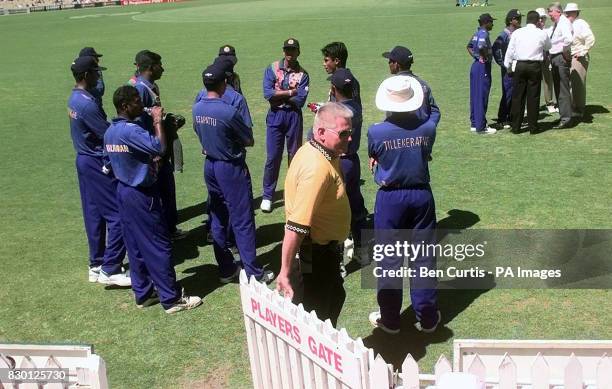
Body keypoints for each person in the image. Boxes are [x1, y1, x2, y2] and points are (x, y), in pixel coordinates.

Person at [104, 85, 202, 313]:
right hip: (142, 195)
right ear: (125, 106)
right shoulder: (131, 131)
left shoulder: (110, 131)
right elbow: (159, 146)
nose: (143, 105)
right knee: (159, 245)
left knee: (135, 246)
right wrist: (158, 121)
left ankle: (144, 293)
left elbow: (107, 162)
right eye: (137, 101)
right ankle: (171, 298)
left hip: (123, 192)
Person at [367, 75, 440, 335]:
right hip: (421, 195)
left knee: (390, 259)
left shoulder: (376, 131)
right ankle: (428, 317)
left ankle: (390, 318)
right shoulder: (427, 128)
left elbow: (374, 156)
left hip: (390, 197)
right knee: (424, 258)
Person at [192, 63, 273, 283]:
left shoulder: (197, 107)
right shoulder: (227, 111)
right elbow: (249, 139)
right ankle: (254, 272)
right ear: (224, 83)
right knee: (243, 219)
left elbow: (198, 132)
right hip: (230, 167)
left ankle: (226, 269)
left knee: (217, 215)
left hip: (210, 165)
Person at [276, 102, 352, 327]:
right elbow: (296, 226)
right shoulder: (317, 168)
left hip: (321, 254)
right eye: (343, 133)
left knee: (334, 299)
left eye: (350, 132)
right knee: (318, 320)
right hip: (315, 258)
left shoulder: (323, 152)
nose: (349, 138)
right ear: (320, 132)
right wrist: (284, 272)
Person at [68, 56, 130, 287]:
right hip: (95, 162)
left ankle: (96, 263)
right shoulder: (87, 103)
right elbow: (107, 134)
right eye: (96, 73)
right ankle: (111, 267)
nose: (98, 76)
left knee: (94, 214)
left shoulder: (75, 98)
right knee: (117, 215)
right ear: (86, 76)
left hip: (83, 160)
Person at [132, 50, 187, 239]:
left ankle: (169, 228)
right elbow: (138, 122)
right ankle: (162, 231)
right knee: (159, 191)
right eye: (159, 64)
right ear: (150, 67)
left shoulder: (151, 86)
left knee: (167, 188)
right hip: (152, 151)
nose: (162, 68)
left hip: (158, 145)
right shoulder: (139, 89)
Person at [260, 38, 309, 213]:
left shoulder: (303, 74)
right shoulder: (272, 68)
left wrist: (278, 94)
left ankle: (293, 192)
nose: (290, 53)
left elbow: (300, 100)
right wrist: (290, 92)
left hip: (293, 116)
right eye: (287, 50)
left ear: (298, 52)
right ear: (283, 52)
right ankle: (267, 196)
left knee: (294, 156)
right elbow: (267, 94)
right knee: (273, 157)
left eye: (293, 50)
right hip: (275, 116)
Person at [326, 69, 368, 261]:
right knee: (355, 203)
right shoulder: (356, 108)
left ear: (334, 88)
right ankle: (360, 247)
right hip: (353, 160)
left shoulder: (335, 112)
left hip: (338, 161)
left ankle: (339, 260)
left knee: (336, 209)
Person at [504, 10, 552, 133]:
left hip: (520, 65)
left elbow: (510, 51)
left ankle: (516, 126)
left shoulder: (517, 32)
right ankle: (533, 127)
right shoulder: (541, 33)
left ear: (526, 21)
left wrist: (508, 66)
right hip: (535, 66)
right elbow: (548, 47)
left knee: (518, 96)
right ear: (538, 21)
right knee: (533, 96)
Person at [382, 45, 441, 125]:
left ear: (396, 64)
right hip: (422, 133)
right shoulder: (423, 84)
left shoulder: (392, 85)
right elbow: (434, 111)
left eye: (390, 61)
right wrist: (428, 129)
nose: (389, 63)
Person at [467, 13, 497, 134]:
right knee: (481, 95)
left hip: (475, 66)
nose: (492, 24)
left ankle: (474, 123)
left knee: (475, 95)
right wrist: (483, 57)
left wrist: (476, 56)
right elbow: (480, 46)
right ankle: (481, 127)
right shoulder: (484, 33)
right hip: (482, 67)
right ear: (486, 23)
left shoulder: (476, 33)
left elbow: (469, 46)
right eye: (491, 22)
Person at [565, 2, 595, 120]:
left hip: (579, 57)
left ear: (575, 13)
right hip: (571, 57)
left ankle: (579, 110)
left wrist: (582, 52)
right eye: (566, 13)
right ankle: (573, 107)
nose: (567, 15)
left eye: (569, 13)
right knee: (572, 83)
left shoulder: (580, 23)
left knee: (578, 84)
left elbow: (590, 38)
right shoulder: (569, 24)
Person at [492, 9, 522, 129]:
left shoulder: (519, 32)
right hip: (508, 69)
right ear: (511, 20)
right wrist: (503, 64)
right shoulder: (504, 35)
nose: (520, 21)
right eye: (517, 19)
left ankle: (511, 116)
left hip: (518, 67)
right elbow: (495, 49)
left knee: (515, 92)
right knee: (508, 93)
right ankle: (502, 118)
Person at [548, 2, 574, 128]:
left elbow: (568, 39)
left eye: (550, 11)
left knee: (562, 88)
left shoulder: (563, 22)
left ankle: (566, 119)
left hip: (560, 57)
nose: (549, 14)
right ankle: (563, 116)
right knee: (559, 88)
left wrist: (564, 52)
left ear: (558, 11)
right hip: (556, 57)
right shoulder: (558, 23)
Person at [321, 42, 361, 107]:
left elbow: (349, 109)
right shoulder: (350, 80)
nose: (324, 64)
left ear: (336, 61)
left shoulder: (346, 83)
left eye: (326, 60)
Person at [536, 8, 557, 113]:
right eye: (539, 18)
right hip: (534, 60)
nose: (541, 20)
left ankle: (549, 103)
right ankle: (528, 105)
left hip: (546, 59)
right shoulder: (531, 31)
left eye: (543, 18)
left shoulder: (548, 30)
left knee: (548, 81)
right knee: (532, 82)